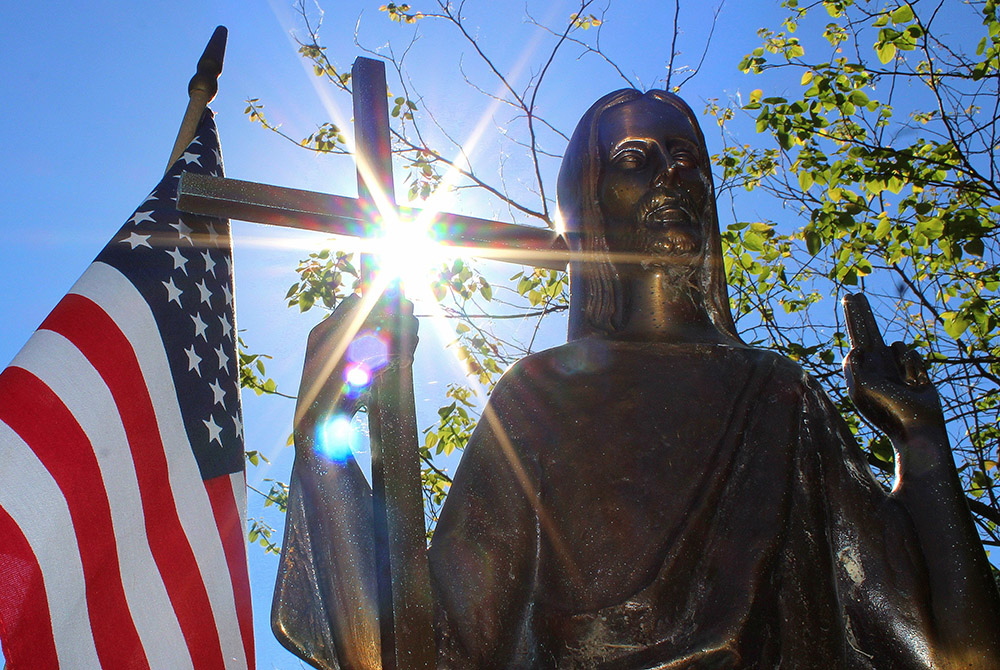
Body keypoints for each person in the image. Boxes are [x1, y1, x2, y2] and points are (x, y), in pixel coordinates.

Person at [272, 89, 1000, 669]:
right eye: (634, 158)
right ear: (591, 203)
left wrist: (922, 446)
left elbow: (957, 655)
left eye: (687, 157)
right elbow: (421, 656)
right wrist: (324, 430)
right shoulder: (540, 398)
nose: (672, 174)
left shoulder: (781, 396)